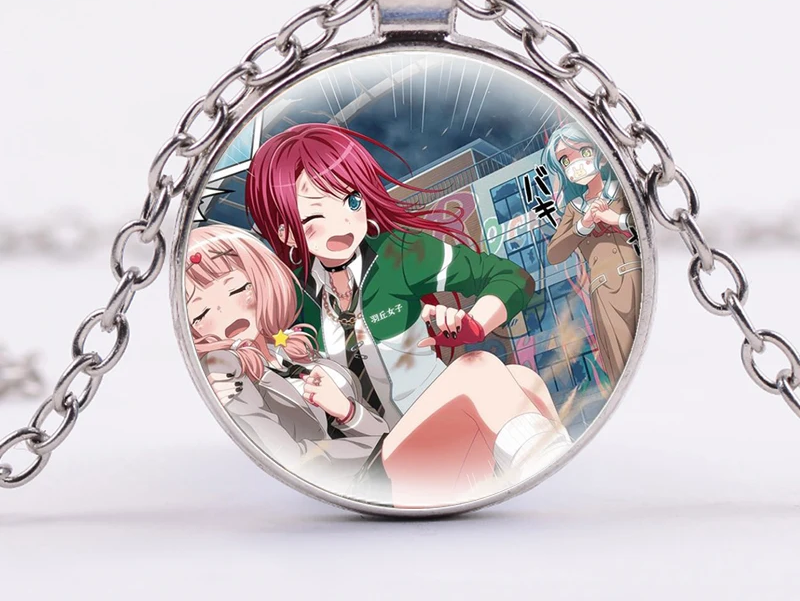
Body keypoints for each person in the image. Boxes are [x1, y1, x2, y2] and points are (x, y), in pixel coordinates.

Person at [186, 224, 571, 506]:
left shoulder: (289, 346)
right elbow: (293, 462)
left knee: (523, 380)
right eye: (200, 312)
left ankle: (543, 483)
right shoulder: (225, 368)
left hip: (381, 452)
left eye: (237, 290)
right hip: (361, 480)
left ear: (260, 281)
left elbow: (510, 278)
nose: (225, 313)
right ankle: (552, 488)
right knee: (478, 370)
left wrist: (347, 412)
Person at [244, 122, 537, 427]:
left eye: (352, 201)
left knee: (496, 373)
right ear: (286, 232)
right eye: (315, 215)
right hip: (362, 440)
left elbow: (510, 277)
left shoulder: (400, 253)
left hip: (439, 417)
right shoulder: (289, 291)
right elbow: (265, 352)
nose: (343, 222)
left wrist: (475, 324)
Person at [543, 123, 641, 384]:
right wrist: (583, 225)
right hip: (604, 290)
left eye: (583, 152)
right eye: (565, 160)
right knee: (622, 365)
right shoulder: (574, 208)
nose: (575, 164)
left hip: (638, 277)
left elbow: (649, 224)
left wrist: (616, 219)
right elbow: (554, 253)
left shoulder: (622, 189)